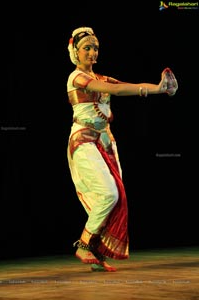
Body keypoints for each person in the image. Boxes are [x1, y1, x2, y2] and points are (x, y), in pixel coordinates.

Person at [66, 26, 178, 272]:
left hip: (103, 142)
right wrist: (149, 90)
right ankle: (83, 244)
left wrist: (159, 88)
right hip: (83, 142)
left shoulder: (101, 79)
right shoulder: (76, 77)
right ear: (75, 51)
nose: (92, 52)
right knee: (109, 194)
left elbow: (127, 85)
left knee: (116, 198)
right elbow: (117, 90)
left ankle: (96, 250)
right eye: (87, 48)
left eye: (95, 48)